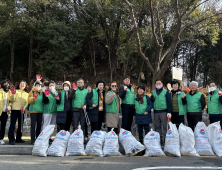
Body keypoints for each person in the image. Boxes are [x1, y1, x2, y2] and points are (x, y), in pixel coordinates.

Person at [8, 80, 29, 145]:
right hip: (14, 110)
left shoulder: (27, 94)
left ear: (25, 86)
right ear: (19, 85)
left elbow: (27, 102)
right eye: (21, 84)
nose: (22, 85)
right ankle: (11, 139)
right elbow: (11, 100)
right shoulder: (15, 91)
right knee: (12, 125)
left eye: (23, 84)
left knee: (21, 125)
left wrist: (24, 108)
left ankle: (18, 138)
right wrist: (13, 94)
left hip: (22, 111)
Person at [151, 79, 171, 145]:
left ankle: (165, 140)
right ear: (155, 85)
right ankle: (159, 140)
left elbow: (169, 102)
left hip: (164, 112)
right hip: (156, 112)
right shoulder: (153, 92)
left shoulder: (166, 92)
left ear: (162, 84)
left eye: (159, 83)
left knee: (165, 127)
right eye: (157, 84)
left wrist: (169, 112)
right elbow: (151, 101)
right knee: (157, 127)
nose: (158, 85)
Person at [0, 80, 11, 145]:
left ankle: (1, 138)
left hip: (5, 112)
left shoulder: (10, 92)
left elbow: (11, 101)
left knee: (3, 126)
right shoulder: (0, 91)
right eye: (5, 83)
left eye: (7, 84)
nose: (6, 85)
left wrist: (9, 106)